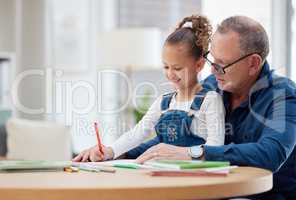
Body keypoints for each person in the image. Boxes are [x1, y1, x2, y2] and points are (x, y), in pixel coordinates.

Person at [131, 16, 296, 199]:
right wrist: (116, 153)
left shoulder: (283, 95)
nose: (212, 71)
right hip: (215, 193)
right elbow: (178, 138)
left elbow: (270, 154)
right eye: (212, 60)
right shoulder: (212, 86)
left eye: (222, 64)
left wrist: (193, 153)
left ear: (253, 63)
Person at [73, 15, 225, 162]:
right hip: (163, 172)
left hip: (197, 175)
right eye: (166, 67)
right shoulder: (164, 102)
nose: (170, 74)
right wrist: (110, 151)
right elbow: (137, 133)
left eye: (177, 68)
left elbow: (215, 146)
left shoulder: (210, 100)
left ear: (199, 65)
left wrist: (187, 155)